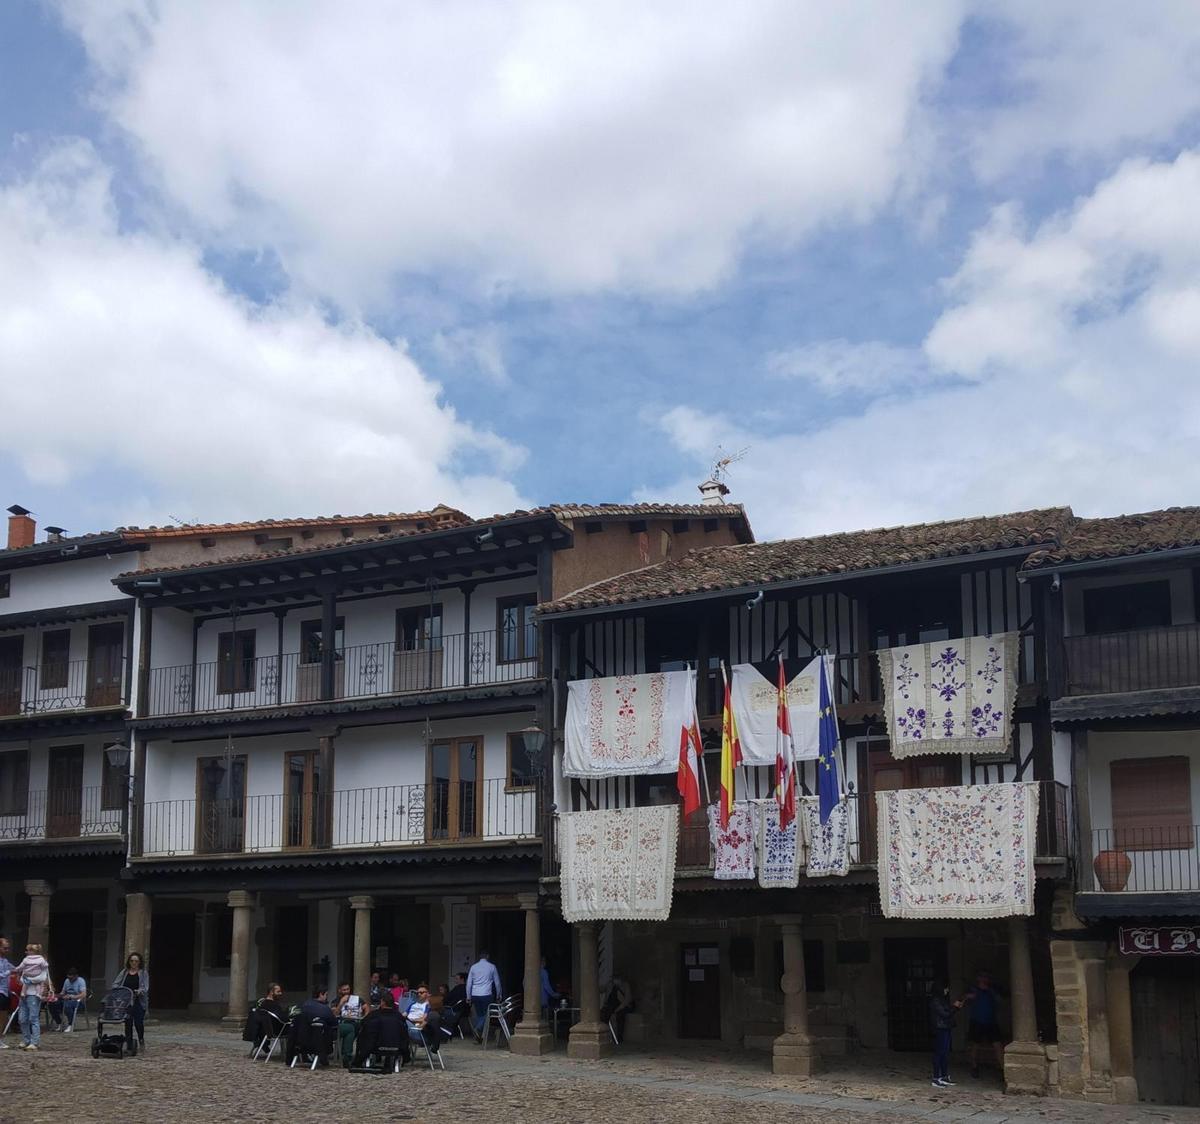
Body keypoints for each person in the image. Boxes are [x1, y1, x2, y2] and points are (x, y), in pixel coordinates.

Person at [962, 971, 1006, 1078]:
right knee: (975, 1045)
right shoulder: (973, 989)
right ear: (978, 978)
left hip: (991, 1021)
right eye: (982, 977)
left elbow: (1000, 1000)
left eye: (986, 977)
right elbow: (964, 999)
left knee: (998, 1045)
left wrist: (992, 993)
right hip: (976, 1021)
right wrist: (968, 997)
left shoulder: (992, 990)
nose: (985, 979)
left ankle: (1003, 1068)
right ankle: (974, 1066)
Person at [353, 990, 409, 1069]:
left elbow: (363, 1024)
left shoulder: (374, 1015)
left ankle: (359, 1060)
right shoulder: (399, 1016)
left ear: (382, 1002)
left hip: (375, 1047)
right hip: (397, 1047)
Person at [13, 943, 52, 1051]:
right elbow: (22, 978)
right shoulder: (27, 964)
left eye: (28, 950)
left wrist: (29, 980)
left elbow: (42, 977)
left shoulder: (42, 964)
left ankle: (35, 1042)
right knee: (22, 1019)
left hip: (34, 994)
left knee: (33, 1018)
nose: (26, 952)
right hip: (24, 994)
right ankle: (26, 1040)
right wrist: (24, 979)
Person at [113, 951, 150, 1053]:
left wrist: (139, 991)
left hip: (138, 1001)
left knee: (138, 1022)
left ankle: (141, 1039)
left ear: (139, 962)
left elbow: (145, 987)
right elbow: (115, 984)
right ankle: (129, 1044)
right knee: (128, 1023)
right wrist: (121, 990)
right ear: (129, 962)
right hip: (126, 1001)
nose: (134, 963)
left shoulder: (143, 973)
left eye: (136, 961)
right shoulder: (124, 972)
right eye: (132, 961)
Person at [929, 980, 961, 1088]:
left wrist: (956, 1007)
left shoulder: (942, 1000)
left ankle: (944, 1076)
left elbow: (948, 1011)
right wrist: (955, 1007)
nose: (947, 990)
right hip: (939, 1028)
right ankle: (936, 1077)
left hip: (945, 1027)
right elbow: (945, 1014)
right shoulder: (935, 1001)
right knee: (939, 1053)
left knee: (945, 1053)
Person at [465, 950, 502, 1042]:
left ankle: (480, 1036)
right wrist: (499, 994)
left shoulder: (473, 967)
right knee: (487, 1014)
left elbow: (469, 983)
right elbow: (497, 983)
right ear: (487, 956)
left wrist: (468, 996)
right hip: (486, 994)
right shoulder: (492, 967)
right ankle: (478, 1028)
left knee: (480, 1015)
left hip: (475, 994)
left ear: (479, 957)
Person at [298, 987, 337, 1067]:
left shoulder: (304, 1005)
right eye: (326, 995)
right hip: (318, 1040)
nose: (326, 997)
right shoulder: (324, 1009)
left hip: (302, 1039)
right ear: (320, 995)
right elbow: (334, 1023)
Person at [332, 981, 365, 1066]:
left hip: (356, 1022)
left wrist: (365, 1016)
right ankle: (347, 1055)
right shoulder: (335, 1001)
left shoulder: (356, 999)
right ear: (339, 990)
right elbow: (334, 1014)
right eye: (344, 990)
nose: (346, 991)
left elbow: (366, 1007)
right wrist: (341, 1003)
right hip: (341, 1024)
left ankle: (348, 1055)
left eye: (348, 989)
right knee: (350, 1028)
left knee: (357, 1027)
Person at [404, 984, 442, 1053]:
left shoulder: (428, 1006)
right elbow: (404, 1014)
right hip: (407, 1024)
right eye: (417, 993)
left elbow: (424, 1020)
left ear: (427, 994)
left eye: (421, 993)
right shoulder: (413, 1004)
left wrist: (410, 1020)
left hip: (417, 1029)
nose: (419, 994)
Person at [49, 967, 87, 1031]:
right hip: (66, 1000)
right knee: (52, 1004)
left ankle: (71, 1024)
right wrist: (56, 995)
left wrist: (71, 997)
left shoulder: (81, 981)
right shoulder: (67, 981)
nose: (70, 980)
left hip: (78, 1002)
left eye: (71, 978)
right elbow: (63, 993)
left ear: (76, 976)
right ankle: (59, 1023)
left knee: (67, 1005)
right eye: (69, 978)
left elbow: (83, 994)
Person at [600, 976, 634, 1043]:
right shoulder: (611, 985)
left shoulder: (625, 985)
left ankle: (619, 1038)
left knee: (620, 1015)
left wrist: (617, 1010)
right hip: (613, 1005)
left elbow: (627, 1000)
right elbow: (604, 992)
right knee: (604, 1014)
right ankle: (605, 1036)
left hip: (624, 1006)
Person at [0, 936, 12, 1049]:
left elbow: (15, 968)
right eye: (5, 948)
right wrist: (9, 972)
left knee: (4, 1017)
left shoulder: (5, 961)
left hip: (5, 992)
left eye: (8, 948)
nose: (7, 950)